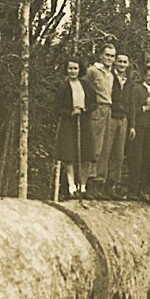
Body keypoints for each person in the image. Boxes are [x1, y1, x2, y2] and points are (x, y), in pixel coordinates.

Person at [54, 60, 96, 199]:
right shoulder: (63, 87)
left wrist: (85, 109)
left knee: (86, 155)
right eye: (70, 68)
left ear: (80, 69)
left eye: (75, 68)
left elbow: (93, 103)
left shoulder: (86, 85)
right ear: (66, 70)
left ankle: (82, 187)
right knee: (69, 156)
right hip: (69, 123)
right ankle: (72, 188)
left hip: (84, 122)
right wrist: (70, 113)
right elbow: (57, 108)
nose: (72, 71)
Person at [127, 64, 150, 202]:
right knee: (136, 158)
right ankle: (133, 190)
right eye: (149, 75)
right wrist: (145, 108)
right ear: (144, 76)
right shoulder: (137, 89)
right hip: (138, 128)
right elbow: (132, 110)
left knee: (147, 160)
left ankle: (143, 189)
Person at [83, 43, 116, 197]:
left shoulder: (111, 74)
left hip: (108, 109)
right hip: (97, 110)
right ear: (101, 55)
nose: (109, 58)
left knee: (105, 147)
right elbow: (83, 86)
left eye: (112, 56)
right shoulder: (93, 71)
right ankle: (87, 183)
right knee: (94, 146)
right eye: (107, 55)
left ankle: (98, 183)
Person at [104, 53, 132, 198]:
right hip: (111, 117)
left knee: (118, 153)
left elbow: (131, 104)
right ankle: (99, 185)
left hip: (123, 119)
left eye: (124, 62)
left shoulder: (129, 82)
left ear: (128, 64)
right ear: (115, 62)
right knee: (105, 150)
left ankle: (112, 186)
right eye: (119, 61)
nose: (121, 64)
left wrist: (131, 125)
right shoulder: (109, 78)